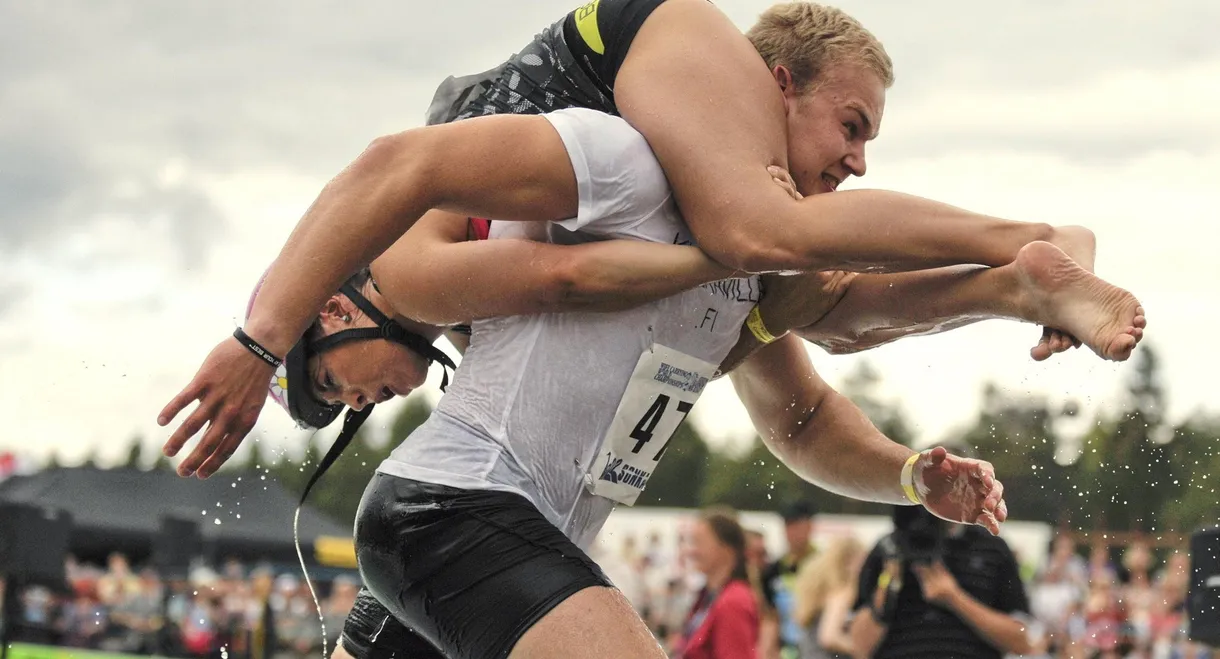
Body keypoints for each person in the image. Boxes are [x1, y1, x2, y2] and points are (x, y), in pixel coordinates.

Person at [156, 2, 1149, 481]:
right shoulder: (466, 300)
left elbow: (556, 264)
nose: (359, 401)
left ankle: (1037, 244)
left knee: (767, 241)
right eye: (850, 132)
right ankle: (1018, 281)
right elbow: (797, 414)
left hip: (617, 44)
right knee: (801, 300)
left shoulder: (410, 268)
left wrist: (254, 341)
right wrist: (902, 473)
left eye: (334, 387)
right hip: (614, 87)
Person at [849, 479, 1034, 658]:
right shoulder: (888, 549)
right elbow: (858, 646)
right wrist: (890, 582)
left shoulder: (992, 548)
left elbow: (1021, 640)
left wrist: (954, 598)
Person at [671, 509, 760, 659]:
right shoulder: (710, 596)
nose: (691, 551)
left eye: (699, 543)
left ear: (726, 550)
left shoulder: (734, 601)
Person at [760, 500, 818, 659]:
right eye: (787, 525)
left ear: (810, 526)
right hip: (787, 650)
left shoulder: (823, 565)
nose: (790, 531)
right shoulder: (773, 569)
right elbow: (771, 616)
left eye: (796, 524)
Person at [793, 536, 865, 659]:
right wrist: (863, 650)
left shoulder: (822, 595)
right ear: (848, 562)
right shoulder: (843, 592)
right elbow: (829, 637)